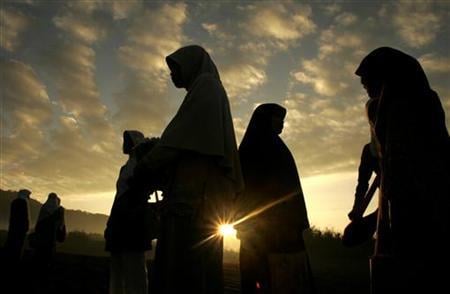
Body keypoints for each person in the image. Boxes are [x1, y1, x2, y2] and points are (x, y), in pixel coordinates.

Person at [134, 45, 243, 294]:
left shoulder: (207, 86)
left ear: (192, 64)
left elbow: (177, 140)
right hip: (196, 199)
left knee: (184, 270)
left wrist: (147, 164)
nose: (172, 75)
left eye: (176, 68)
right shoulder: (204, 89)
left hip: (193, 200)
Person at [355, 47, 450, 292]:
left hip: (418, 220)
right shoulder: (399, 107)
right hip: (406, 213)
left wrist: (370, 222)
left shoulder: (408, 107)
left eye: (368, 79)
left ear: (387, 75)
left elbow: (406, 176)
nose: (364, 86)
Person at [236, 103, 314, 294]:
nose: (282, 125)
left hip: (281, 233)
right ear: (265, 121)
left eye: (283, 120)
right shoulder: (256, 150)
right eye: (278, 119)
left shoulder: (274, 147)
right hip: (263, 234)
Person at [105, 130, 154, 294]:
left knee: (135, 267)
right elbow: (118, 195)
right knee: (118, 267)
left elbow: (141, 190)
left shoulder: (143, 163)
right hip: (119, 217)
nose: (124, 144)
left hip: (133, 218)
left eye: (127, 140)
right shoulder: (124, 168)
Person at [33, 192, 66, 269]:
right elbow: (61, 225)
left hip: (41, 238)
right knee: (48, 257)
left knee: (39, 257)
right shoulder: (58, 210)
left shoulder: (44, 208)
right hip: (51, 239)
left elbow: (39, 224)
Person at [4, 189, 32, 265]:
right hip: (20, 229)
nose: (29, 197)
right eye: (28, 195)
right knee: (17, 247)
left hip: (13, 228)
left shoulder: (14, 202)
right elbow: (24, 217)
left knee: (11, 244)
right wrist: (26, 227)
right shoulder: (23, 203)